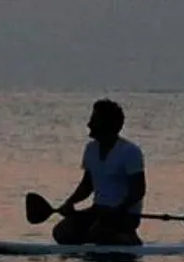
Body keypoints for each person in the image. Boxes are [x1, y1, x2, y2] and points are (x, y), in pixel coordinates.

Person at [53, 99, 147, 244]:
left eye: (94, 120)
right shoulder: (90, 149)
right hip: (97, 211)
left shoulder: (130, 152)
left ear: (108, 124)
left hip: (125, 215)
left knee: (97, 233)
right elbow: (87, 185)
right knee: (62, 232)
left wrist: (119, 209)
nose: (89, 124)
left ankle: (129, 239)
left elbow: (138, 191)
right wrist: (70, 202)